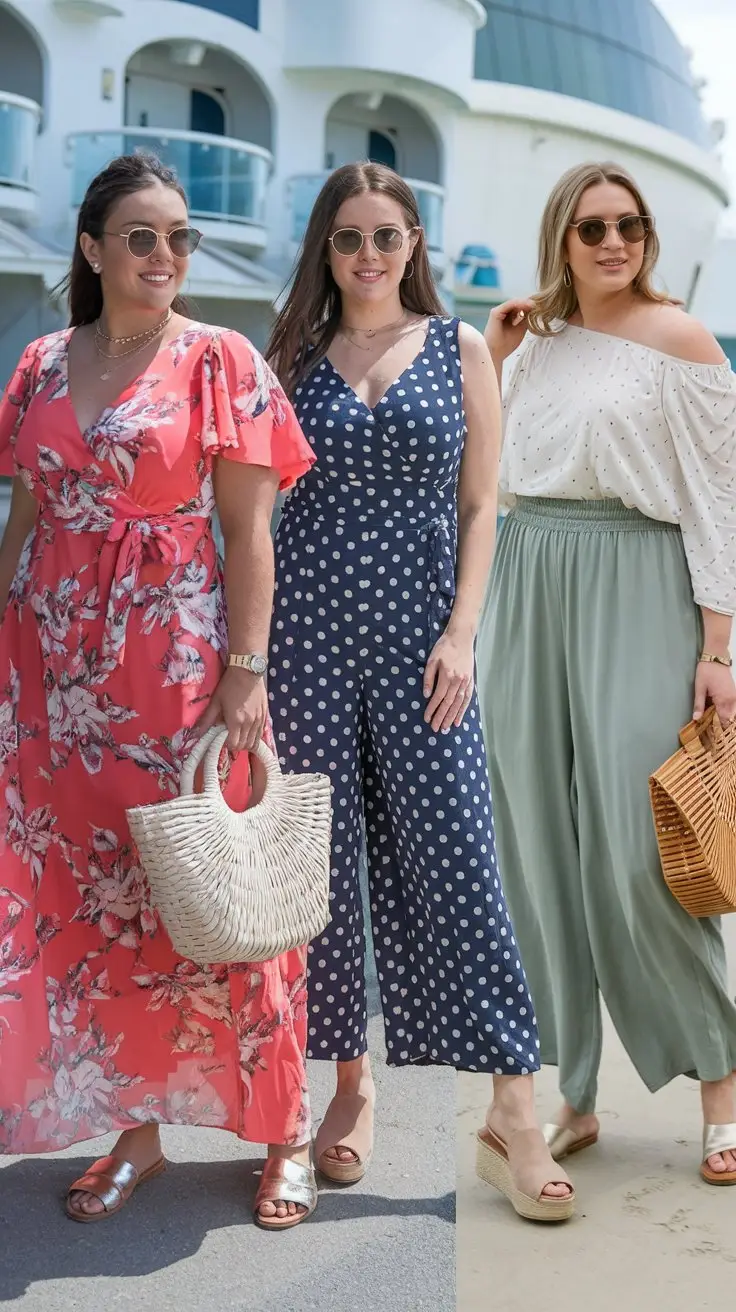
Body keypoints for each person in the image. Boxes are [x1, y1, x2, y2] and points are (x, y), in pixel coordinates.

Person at [0, 153, 319, 1229]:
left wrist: (246, 670)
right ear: (91, 248)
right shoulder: (42, 362)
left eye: (179, 236)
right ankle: (134, 1135)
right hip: (52, 681)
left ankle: (282, 1134)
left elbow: (249, 532)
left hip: (178, 673)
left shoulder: (219, 360)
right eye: (142, 236)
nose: (167, 255)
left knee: (219, 905)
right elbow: (29, 514)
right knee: (89, 913)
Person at [265, 161, 575, 1222]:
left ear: (413, 244)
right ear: (325, 247)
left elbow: (481, 506)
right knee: (321, 870)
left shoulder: (457, 350)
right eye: (347, 238)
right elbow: (254, 512)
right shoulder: (291, 354)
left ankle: (513, 1108)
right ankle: (345, 1091)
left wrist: (462, 632)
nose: (367, 256)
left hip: (421, 642)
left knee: (455, 858)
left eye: (386, 236)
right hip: (305, 636)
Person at [477, 160, 736, 1186]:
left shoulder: (680, 338)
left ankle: (720, 1085)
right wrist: (494, 357)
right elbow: (482, 478)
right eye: (592, 228)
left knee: (641, 848)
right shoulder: (526, 340)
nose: (614, 242)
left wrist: (717, 649)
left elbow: (719, 505)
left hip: (637, 574)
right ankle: (568, 1098)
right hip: (528, 575)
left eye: (629, 224)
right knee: (538, 845)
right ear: (561, 238)